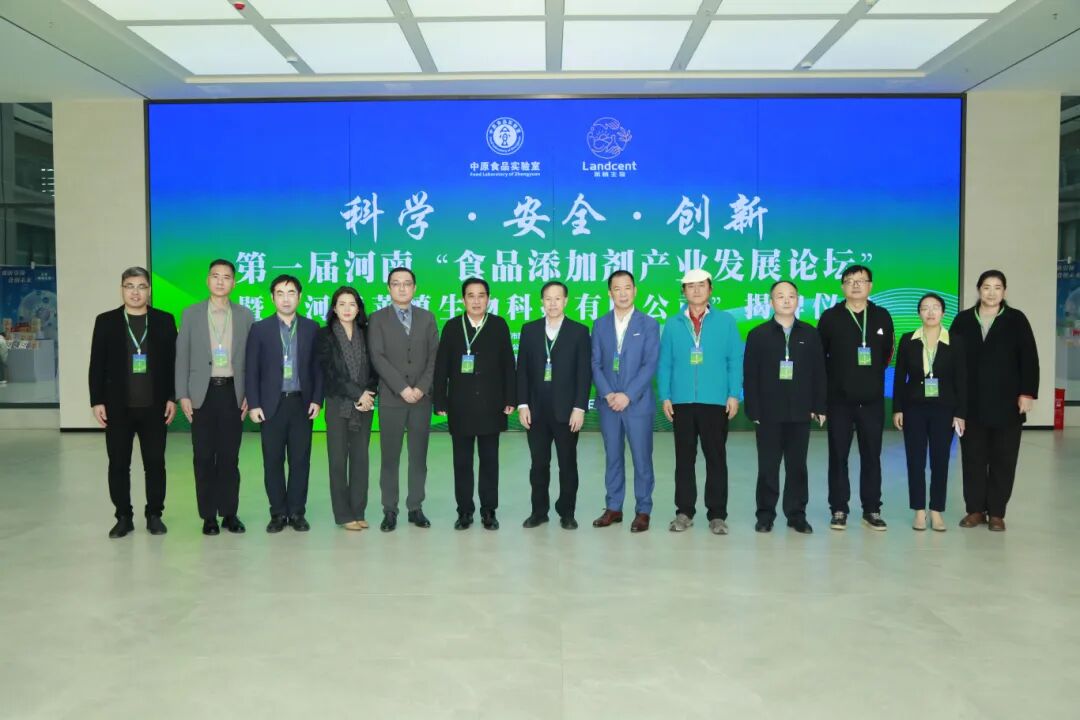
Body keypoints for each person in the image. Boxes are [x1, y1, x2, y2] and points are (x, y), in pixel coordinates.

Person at [89, 266, 177, 538]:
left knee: (155, 463)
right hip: (118, 408)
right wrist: (97, 400)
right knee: (118, 464)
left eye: (141, 286)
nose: (135, 292)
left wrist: (172, 397)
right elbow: (96, 364)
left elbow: (174, 364)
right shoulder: (106, 321)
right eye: (130, 286)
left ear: (149, 290)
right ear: (122, 289)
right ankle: (123, 517)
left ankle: (154, 515)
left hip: (155, 407)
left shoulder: (164, 320)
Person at [949, 270, 1039, 532]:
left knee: (1004, 459)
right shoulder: (964, 320)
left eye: (997, 287)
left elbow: (1029, 358)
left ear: (1004, 291)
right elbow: (952, 360)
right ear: (979, 290)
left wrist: (1027, 393)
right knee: (973, 458)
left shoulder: (1016, 319)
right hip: (972, 403)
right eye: (986, 287)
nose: (991, 292)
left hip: (1007, 403)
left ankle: (997, 512)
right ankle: (975, 510)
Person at [657, 268, 743, 535]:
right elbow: (665, 362)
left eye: (701, 285)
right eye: (690, 286)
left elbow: (735, 360)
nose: (696, 290)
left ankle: (717, 515)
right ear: (683, 291)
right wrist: (665, 395)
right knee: (684, 459)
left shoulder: (726, 321)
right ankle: (684, 512)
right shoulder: (673, 323)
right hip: (682, 401)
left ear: (710, 289)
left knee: (716, 458)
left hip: (715, 401)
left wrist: (734, 394)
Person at [175, 259, 255, 536]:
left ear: (234, 282)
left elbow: (252, 360)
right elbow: (181, 357)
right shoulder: (191, 313)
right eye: (215, 276)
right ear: (207, 280)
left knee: (230, 458)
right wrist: (182, 394)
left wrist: (250, 394)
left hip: (233, 392)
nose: (221, 281)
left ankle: (230, 513)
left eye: (226, 277)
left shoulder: (245, 315)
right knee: (203, 456)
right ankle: (208, 516)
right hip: (202, 393)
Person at [743, 281, 826, 534]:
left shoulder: (810, 334)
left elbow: (819, 372)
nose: (786, 300)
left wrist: (819, 406)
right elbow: (750, 375)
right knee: (768, 466)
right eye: (780, 296)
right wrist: (753, 409)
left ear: (798, 300)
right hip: (768, 413)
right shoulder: (758, 335)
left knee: (797, 466)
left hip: (800, 411)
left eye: (791, 296)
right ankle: (765, 515)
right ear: (771, 302)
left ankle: (796, 515)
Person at [433, 278, 516, 531]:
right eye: (471, 296)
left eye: (481, 295)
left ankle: (489, 511)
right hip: (460, 406)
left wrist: (510, 398)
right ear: (463, 300)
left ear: (488, 299)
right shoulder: (452, 326)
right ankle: (464, 511)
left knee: (490, 461)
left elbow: (508, 365)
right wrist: (440, 399)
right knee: (462, 462)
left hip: (492, 405)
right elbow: (441, 367)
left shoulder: (498, 325)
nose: (476, 301)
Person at [817, 264, 894, 531]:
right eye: (850, 280)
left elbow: (887, 353)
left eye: (861, 280)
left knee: (872, 455)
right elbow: (820, 357)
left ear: (870, 286)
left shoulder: (882, 316)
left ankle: (872, 509)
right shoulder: (830, 317)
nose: (856, 285)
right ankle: (838, 508)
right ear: (842, 287)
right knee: (838, 455)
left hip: (871, 401)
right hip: (839, 401)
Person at [245, 274, 323, 533]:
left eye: (291, 293)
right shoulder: (260, 329)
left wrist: (317, 399)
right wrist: (254, 404)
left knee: (300, 461)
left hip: (301, 404)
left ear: (299, 297)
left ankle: (297, 512)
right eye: (280, 293)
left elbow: (318, 368)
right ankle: (278, 513)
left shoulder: (311, 328)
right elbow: (251, 369)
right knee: (273, 461)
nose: (286, 298)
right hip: (271, 406)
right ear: (272, 297)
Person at [367, 267, 439, 532]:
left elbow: (434, 356)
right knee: (390, 457)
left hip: (421, 399)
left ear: (414, 288)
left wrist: (420, 387)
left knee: (418, 456)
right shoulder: (377, 319)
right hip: (391, 399)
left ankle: (415, 507)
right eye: (396, 283)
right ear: (388, 288)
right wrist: (402, 388)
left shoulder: (427, 318)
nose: (402, 288)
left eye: (407, 283)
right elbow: (377, 357)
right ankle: (390, 509)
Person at [517, 281, 591, 530]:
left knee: (567, 464)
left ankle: (567, 512)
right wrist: (523, 404)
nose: (553, 303)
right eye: (548, 299)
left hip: (567, 412)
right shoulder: (529, 330)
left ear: (566, 301)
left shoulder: (579, 331)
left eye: (557, 298)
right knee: (538, 464)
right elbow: (522, 370)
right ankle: (539, 511)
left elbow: (584, 373)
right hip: (536, 411)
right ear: (541, 302)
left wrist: (579, 408)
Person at [591, 270, 659, 533]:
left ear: (635, 291)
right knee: (613, 457)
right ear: (610, 293)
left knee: (642, 459)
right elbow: (595, 363)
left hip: (637, 403)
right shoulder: (600, 324)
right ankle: (614, 507)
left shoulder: (649, 324)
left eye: (627, 288)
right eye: (617, 289)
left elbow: (650, 364)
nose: (622, 293)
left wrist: (627, 395)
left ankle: (643, 510)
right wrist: (609, 394)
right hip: (609, 404)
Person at [893, 293, 967, 532]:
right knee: (915, 460)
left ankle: (936, 510)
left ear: (943, 312)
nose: (931, 312)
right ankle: (918, 510)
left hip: (944, 409)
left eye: (935, 307)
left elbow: (961, 379)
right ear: (919, 313)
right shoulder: (908, 340)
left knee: (940, 460)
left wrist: (960, 412)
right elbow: (899, 377)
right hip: (914, 408)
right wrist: (898, 408)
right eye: (925, 308)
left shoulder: (955, 341)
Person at [316, 287, 378, 531]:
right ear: (334, 308)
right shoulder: (325, 335)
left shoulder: (368, 333)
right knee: (338, 461)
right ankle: (343, 515)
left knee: (361, 459)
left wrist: (368, 394)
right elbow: (330, 373)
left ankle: (358, 511)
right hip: (337, 404)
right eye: (341, 304)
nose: (347, 309)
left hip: (365, 405)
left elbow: (376, 367)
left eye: (352, 304)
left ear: (358, 308)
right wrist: (356, 394)